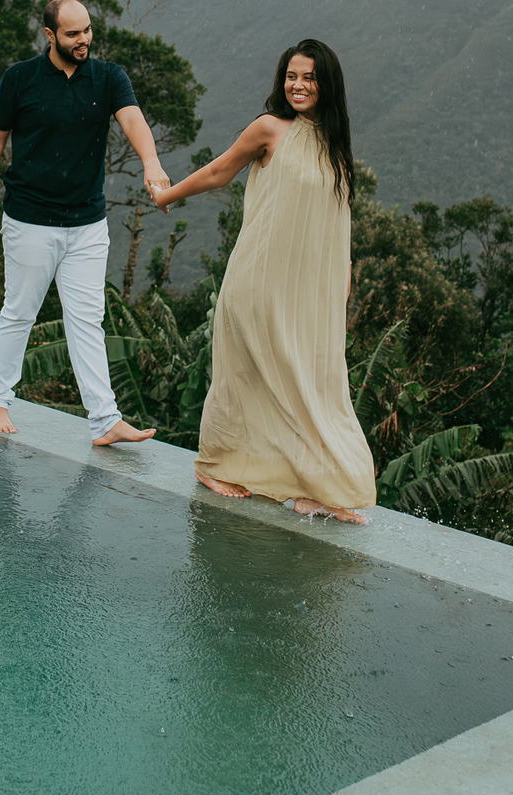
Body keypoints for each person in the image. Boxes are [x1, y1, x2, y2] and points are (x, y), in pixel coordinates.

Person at [153, 39, 376, 522]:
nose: (298, 85)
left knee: (311, 383)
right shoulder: (270, 129)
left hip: (308, 295)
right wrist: (169, 194)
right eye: (292, 76)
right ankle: (213, 465)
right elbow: (218, 172)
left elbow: (338, 225)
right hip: (259, 280)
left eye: (310, 77)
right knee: (243, 378)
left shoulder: (336, 146)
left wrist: (341, 290)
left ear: (327, 85)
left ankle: (310, 487)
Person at [0, 0, 171, 444]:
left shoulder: (108, 77)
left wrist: (151, 162)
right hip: (30, 221)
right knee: (19, 312)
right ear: (49, 35)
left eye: (88, 30)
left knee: (87, 320)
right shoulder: (20, 79)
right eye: (73, 33)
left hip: (87, 225)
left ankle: (105, 420)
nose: (84, 40)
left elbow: (133, 120)